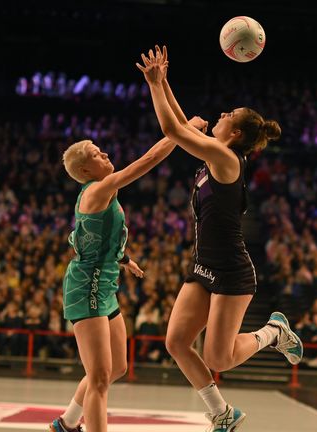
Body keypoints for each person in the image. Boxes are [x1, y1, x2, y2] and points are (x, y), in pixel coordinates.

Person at [138, 46, 302, 431]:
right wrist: (164, 82)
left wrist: (154, 86)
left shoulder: (227, 161)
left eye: (229, 115)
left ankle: (272, 332)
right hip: (203, 266)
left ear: (236, 133)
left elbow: (173, 130)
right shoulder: (214, 154)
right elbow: (181, 126)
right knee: (177, 343)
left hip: (231, 271)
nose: (222, 114)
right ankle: (222, 414)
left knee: (218, 357)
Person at [50, 104, 203, 432]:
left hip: (103, 284)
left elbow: (82, 238)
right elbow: (148, 161)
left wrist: (123, 259)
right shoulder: (98, 190)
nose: (104, 153)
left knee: (117, 366)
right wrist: (184, 129)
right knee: (100, 379)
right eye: (95, 153)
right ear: (86, 170)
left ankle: (66, 423)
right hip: (86, 287)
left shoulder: (101, 193)